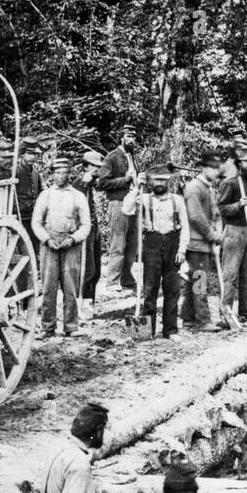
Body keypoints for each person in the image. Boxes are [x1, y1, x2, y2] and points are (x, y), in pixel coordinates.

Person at [123, 162, 188, 340]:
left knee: (172, 290)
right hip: (151, 244)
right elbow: (126, 209)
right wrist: (136, 188)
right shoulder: (144, 198)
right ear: (150, 181)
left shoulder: (177, 200)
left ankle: (170, 330)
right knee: (150, 288)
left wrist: (182, 250)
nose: (159, 183)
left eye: (163, 180)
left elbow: (185, 227)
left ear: (168, 182)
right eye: (156, 180)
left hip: (173, 245)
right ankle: (147, 330)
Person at [32, 156, 91, 338]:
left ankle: (71, 326)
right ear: (52, 174)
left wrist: (73, 239)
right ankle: (47, 327)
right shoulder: (45, 195)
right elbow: (36, 222)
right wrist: (47, 239)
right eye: (57, 172)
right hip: (49, 244)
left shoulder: (78, 196)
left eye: (65, 172)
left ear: (70, 174)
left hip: (70, 245)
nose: (61, 176)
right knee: (49, 286)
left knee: (70, 285)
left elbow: (86, 225)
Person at [217, 145, 247, 323]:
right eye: (245, 161)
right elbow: (221, 208)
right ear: (239, 163)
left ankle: (246, 311)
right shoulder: (231, 183)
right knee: (230, 273)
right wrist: (238, 205)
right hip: (234, 231)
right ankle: (225, 312)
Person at [181, 153, 224, 331]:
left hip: (206, 242)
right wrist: (211, 235)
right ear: (203, 168)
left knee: (194, 280)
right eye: (212, 168)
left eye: (217, 169)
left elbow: (215, 214)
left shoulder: (209, 188)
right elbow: (196, 217)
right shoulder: (194, 188)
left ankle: (188, 318)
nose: (215, 172)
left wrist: (218, 233)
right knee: (200, 281)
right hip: (196, 242)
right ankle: (203, 320)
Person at [96, 125, 139, 290]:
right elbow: (103, 183)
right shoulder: (112, 158)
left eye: (134, 137)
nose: (132, 140)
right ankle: (112, 281)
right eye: (129, 136)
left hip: (135, 202)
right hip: (118, 203)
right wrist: (125, 179)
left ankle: (126, 278)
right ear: (121, 137)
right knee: (118, 242)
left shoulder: (134, 157)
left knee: (132, 243)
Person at [76, 150, 103, 319]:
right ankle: (82, 303)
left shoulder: (93, 182)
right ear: (85, 166)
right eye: (94, 167)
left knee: (97, 269)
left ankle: (90, 302)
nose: (97, 170)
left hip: (95, 228)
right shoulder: (79, 183)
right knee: (88, 268)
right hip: (84, 229)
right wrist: (84, 184)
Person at [17, 137, 44, 245]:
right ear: (22, 154)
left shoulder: (35, 174)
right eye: (30, 154)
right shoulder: (15, 172)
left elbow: (40, 193)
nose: (34, 157)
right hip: (20, 218)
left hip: (33, 218)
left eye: (36, 154)